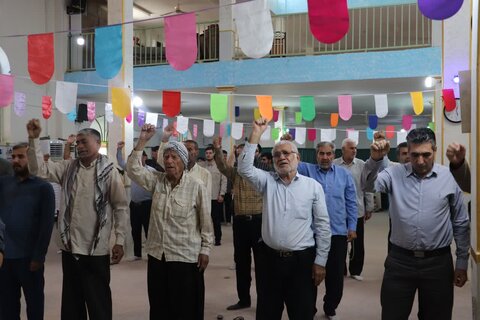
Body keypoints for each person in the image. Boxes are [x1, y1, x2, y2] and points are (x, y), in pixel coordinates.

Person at [362, 128, 470, 320]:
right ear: (408, 152)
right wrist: (375, 160)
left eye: (426, 155)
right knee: (392, 315)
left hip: (438, 263)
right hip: (400, 262)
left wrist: (461, 262)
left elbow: (461, 222)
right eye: (415, 155)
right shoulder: (394, 174)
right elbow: (368, 186)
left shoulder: (448, 177)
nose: (420, 161)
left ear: (435, 151)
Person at [26, 119, 128, 320]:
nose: (79, 146)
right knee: (72, 304)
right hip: (70, 247)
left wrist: (120, 239)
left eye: (84, 142)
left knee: (98, 303)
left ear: (98, 144)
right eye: (77, 143)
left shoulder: (109, 171)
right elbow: (38, 170)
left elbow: (120, 207)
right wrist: (33, 139)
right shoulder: (68, 167)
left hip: (96, 249)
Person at [238, 118, 331, 320]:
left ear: (297, 158)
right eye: (276, 155)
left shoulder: (312, 186)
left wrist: (321, 261)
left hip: (302, 262)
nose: (281, 157)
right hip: (269, 261)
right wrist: (255, 135)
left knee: (302, 312)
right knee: (267, 312)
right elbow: (244, 169)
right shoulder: (267, 181)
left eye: (286, 153)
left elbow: (323, 226)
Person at [127, 123, 213, 320]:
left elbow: (206, 222)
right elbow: (132, 169)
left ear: (183, 161)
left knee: (184, 308)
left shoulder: (196, 186)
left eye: (174, 157)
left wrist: (205, 250)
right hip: (158, 255)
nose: (169, 161)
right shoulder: (157, 181)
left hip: (184, 257)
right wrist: (142, 141)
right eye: (166, 157)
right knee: (159, 306)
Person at [288, 137, 357, 319]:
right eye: (321, 153)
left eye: (328, 154)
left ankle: (330, 306)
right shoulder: (306, 170)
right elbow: (291, 160)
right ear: (316, 155)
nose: (325, 157)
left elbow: (351, 202)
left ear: (334, 155)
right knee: (308, 276)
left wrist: (352, 226)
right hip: (310, 234)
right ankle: (308, 309)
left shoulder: (344, 175)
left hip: (337, 233)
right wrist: (290, 143)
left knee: (335, 278)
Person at [0, 142, 55, 320]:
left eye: (21, 156)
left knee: (34, 305)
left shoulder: (43, 188)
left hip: (29, 259)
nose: (15, 160)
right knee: (6, 307)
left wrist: (39, 256)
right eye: (13, 156)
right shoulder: (3, 184)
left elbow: (47, 225)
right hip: (5, 259)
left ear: (30, 159)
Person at [213, 137, 263, 311]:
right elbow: (222, 166)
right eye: (239, 153)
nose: (242, 156)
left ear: (256, 154)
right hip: (240, 224)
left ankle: (264, 301)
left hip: (259, 223)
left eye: (246, 153)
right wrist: (218, 149)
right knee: (241, 264)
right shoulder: (236, 173)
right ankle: (244, 300)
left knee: (262, 265)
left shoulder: (264, 174)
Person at [333, 138, 374, 281]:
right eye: (351, 148)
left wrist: (369, 206)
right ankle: (340, 269)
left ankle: (355, 270)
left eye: (355, 148)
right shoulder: (334, 165)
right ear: (343, 150)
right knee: (339, 242)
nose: (354, 150)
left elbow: (367, 187)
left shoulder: (362, 165)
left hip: (357, 211)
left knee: (357, 242)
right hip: (337, 211)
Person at [117, 141, 154, 260]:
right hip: (134, 205)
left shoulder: (151, 171)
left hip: (147, 205)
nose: (137, 159)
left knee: (149, 230)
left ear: (145, 157)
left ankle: (151, 253)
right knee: (135, 230)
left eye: (139, 156)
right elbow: (121, 162)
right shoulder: (132, 170)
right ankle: (137, 254)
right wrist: (119, 149)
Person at [201, 145, 227, 246]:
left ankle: (218, 239)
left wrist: (222, 194)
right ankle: (204, 239)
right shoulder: (201, 166)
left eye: (210, 153)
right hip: (203, 197)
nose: (208, 155)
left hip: (215, 197)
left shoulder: (219, 166)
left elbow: (224, 181)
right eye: (206, 153)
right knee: (203, 220)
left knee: (216, 220)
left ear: (214, 154)